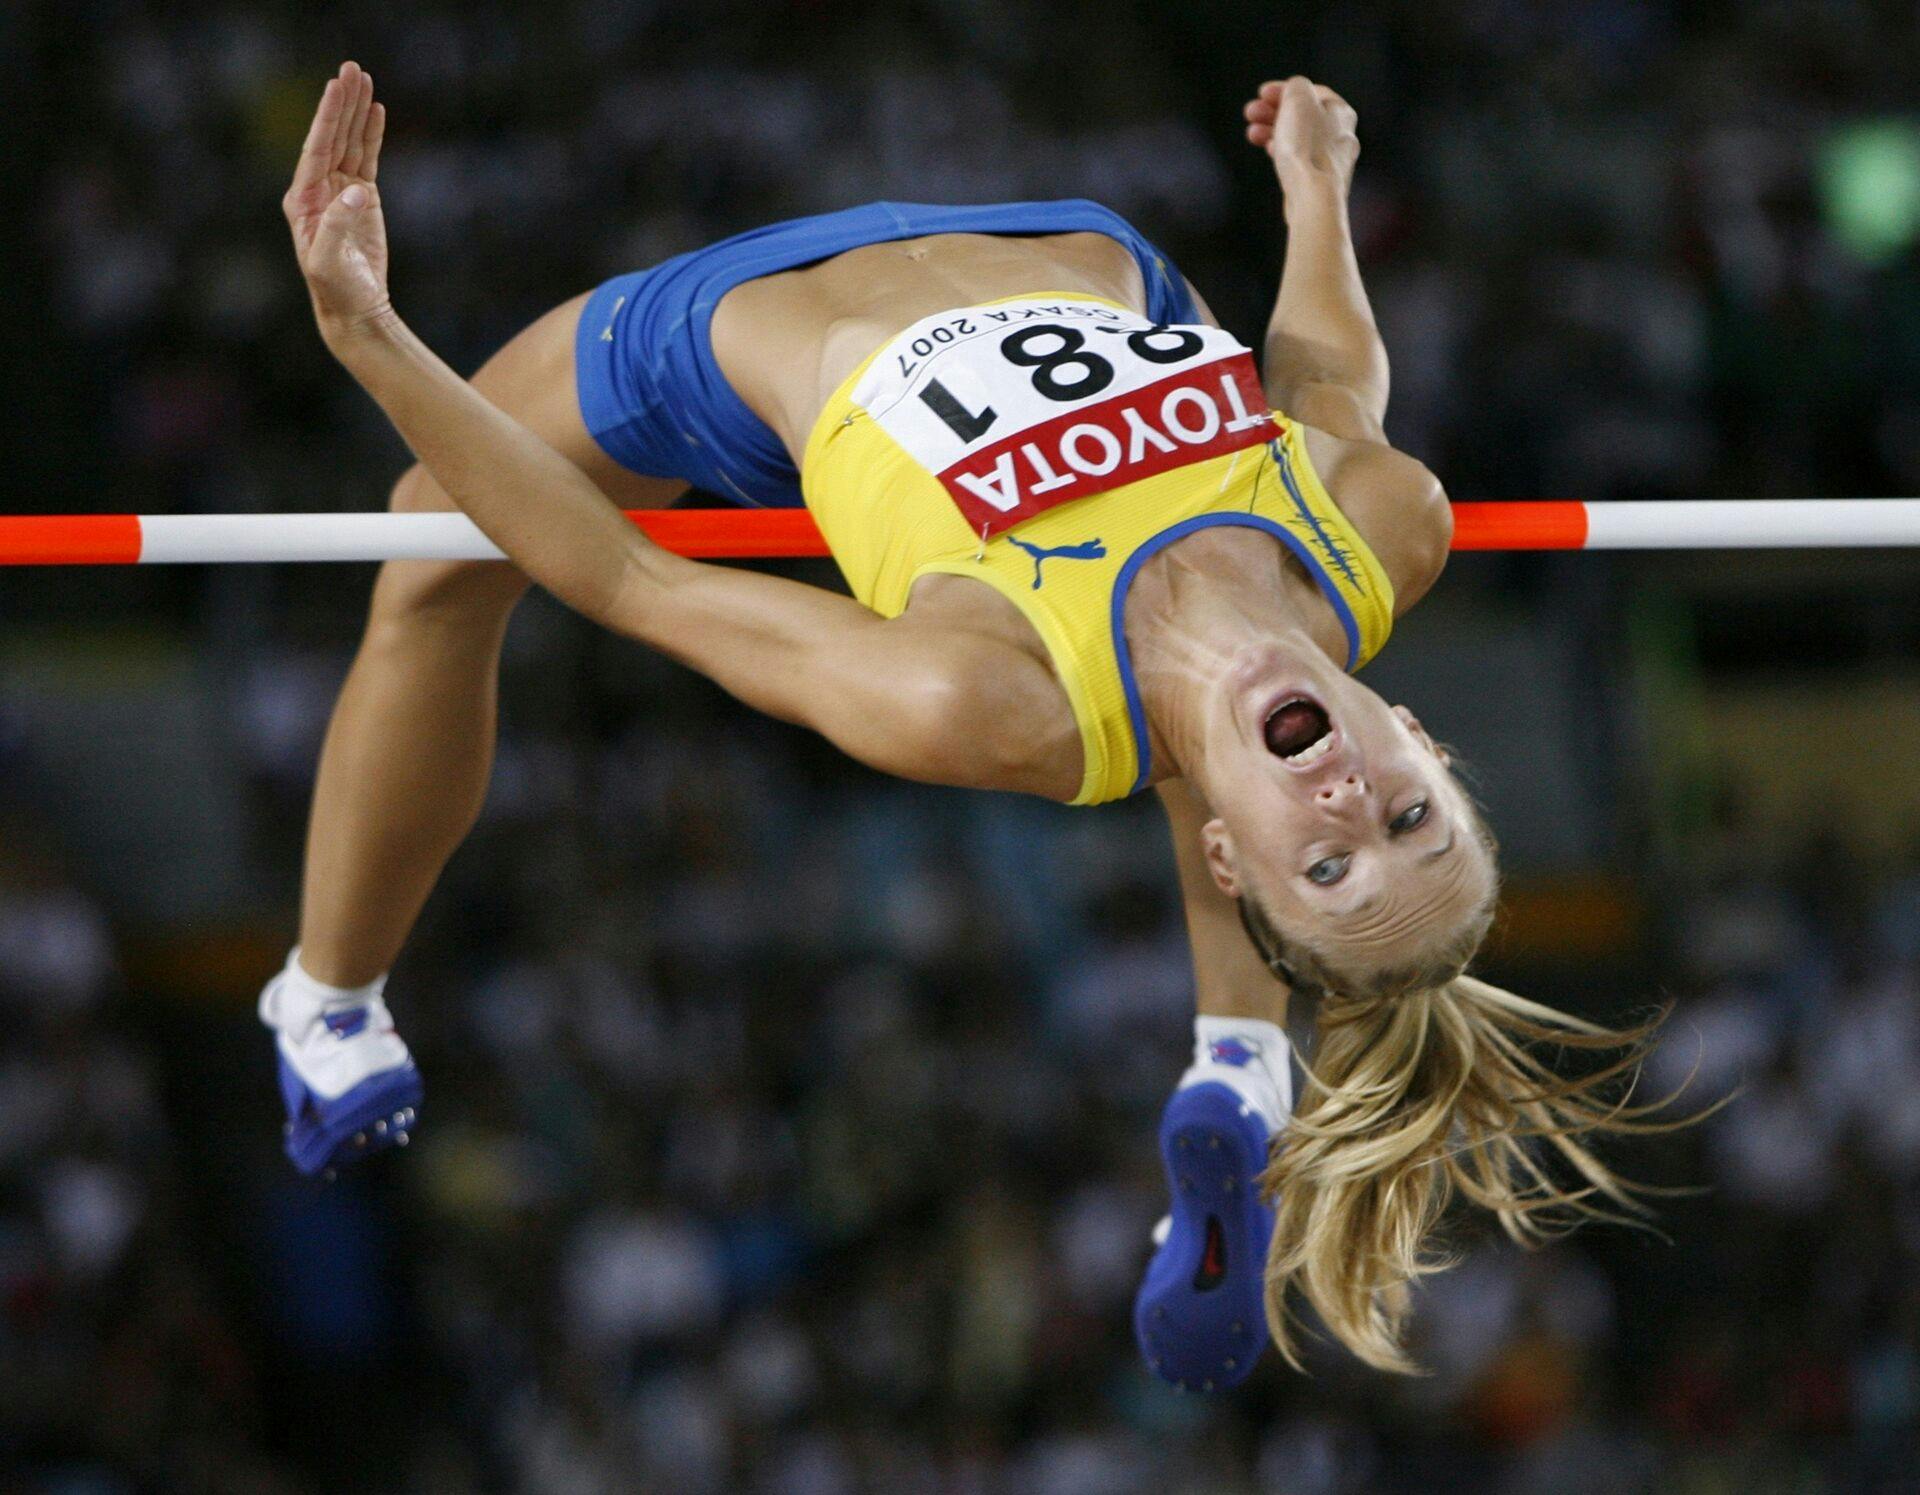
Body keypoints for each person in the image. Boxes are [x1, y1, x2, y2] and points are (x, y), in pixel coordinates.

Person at [262, 62, 1668, 1386]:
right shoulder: (1382, 527)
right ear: (1421, 737)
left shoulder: (981, 692)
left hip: (720, 332)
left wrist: (369, 339)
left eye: (1331, 867)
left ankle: (328, 998)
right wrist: (1317, 188)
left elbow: (633, 580)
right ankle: (1239, 1064)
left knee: (429, 564)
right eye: (1411, 818)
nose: (1357, 812)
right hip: (1083, 251)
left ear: (1233, 875)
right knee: (1230, 680)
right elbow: (1323, 389)